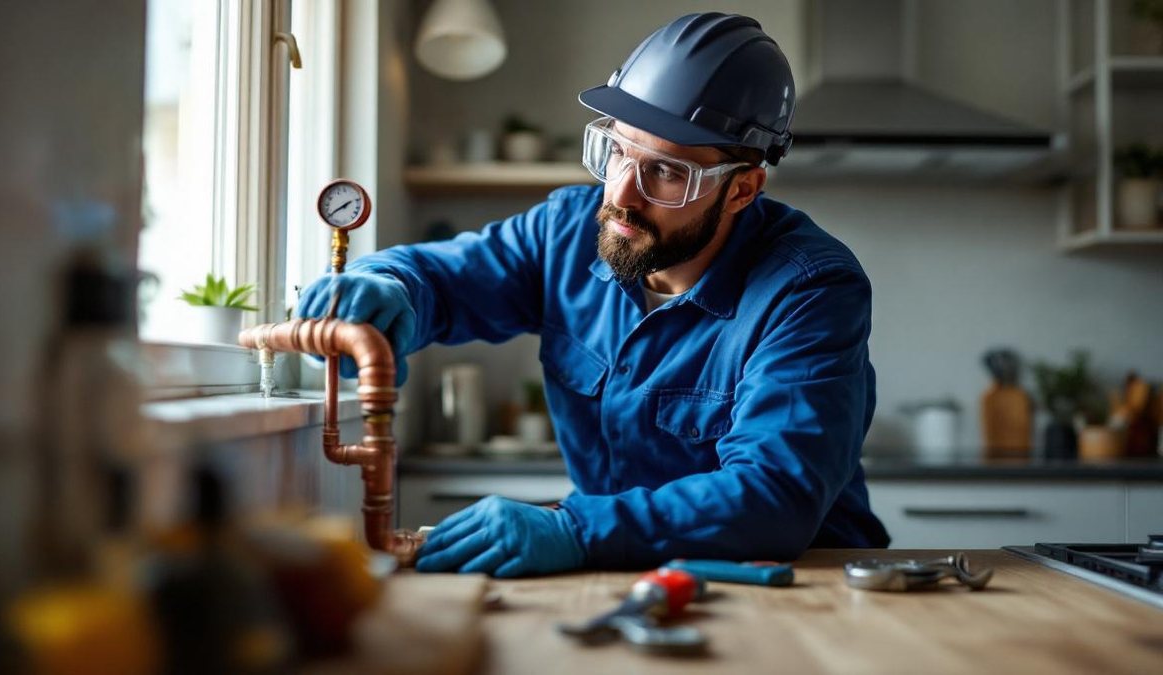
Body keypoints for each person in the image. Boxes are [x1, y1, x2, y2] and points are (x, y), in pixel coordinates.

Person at [298, 12, 890, 577]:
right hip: (621, 572)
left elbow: (773, 493)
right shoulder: (568, 230)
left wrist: (577, 531)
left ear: (743, 189)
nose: (623, 196)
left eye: (667, 172)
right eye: (617, 151)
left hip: (807, 585)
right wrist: (388, 284)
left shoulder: (808, 289)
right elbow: (445, 279)